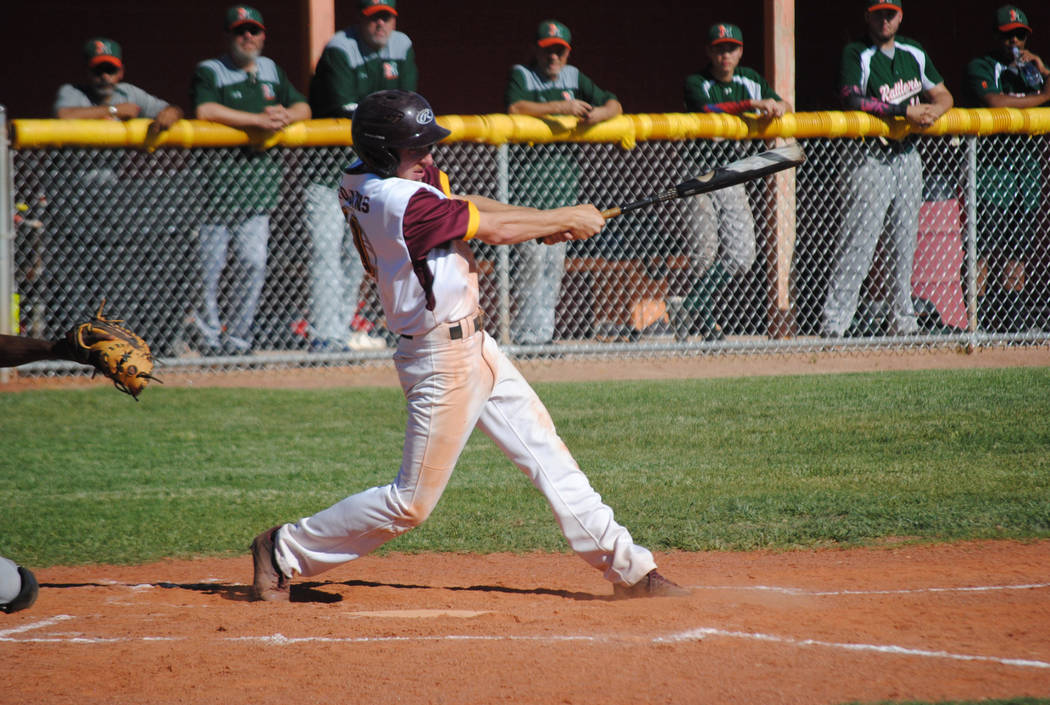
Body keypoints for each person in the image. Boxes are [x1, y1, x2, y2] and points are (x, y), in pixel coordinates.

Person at [250, 90, 687, 602]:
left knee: (550, 458)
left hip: (475, 345)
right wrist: (557, 220)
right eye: (417, 151)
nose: (429, 159)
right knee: (410, 503)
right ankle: (282, 549)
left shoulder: (364, 176)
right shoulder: (399, 201)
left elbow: (467, 209)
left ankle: (631, 570)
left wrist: (548, 219)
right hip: (439, 359)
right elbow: (490, 228)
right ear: (385, 153)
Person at [822, 0, 953, 338]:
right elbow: (851, 98)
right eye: (878, 12)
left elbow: (943, 95)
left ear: (900, 16)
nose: (885, 19)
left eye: (890, 12)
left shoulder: (913, 51)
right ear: (867, 15)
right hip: (868, 157)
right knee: (859, 242)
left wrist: (932, 112)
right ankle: (835, 326)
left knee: (904, 241)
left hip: (907, 155)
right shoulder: (856, 52)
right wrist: (902, 112)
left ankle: (904, 324)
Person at [188, 6, 310, 355]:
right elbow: (205, 111)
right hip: (214, 190)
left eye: (254, 31)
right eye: (241, 31)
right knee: (208, 270)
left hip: (258, 189)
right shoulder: (211, 71)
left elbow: (303, 107)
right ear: (228, 36)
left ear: (262, 35)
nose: (248, 37)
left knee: (252, 265)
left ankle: (238, 339)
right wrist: (256, 120)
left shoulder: (271, 70)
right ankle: (209, 338)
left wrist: (285, 114)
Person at [306, 0, 417, 352]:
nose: (381, 24)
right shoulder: (340, 47)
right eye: (374, 18)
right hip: (328, 173)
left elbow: (410, 102)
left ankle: (341, 329)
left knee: (357, 255)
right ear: (362, 19)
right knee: (324, 252)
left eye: (387, 17)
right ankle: (325, 334)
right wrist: (386, 114)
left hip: (369, 175)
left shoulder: (402, 45)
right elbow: (341, 105)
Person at [504, 20, 622, 347]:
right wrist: (562, 106)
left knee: (553, 269)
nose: (553, 58)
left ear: (567, 53)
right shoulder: (523, 75)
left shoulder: (574, 77)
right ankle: (525, 337)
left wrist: (599, 115)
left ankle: (543, 336)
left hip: (563, 189)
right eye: (547, 51)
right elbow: (516, 107)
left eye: (559, 51)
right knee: (530, 265)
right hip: (529, 190)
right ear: (536, 51)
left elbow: (614, 104)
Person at [681, 23, 792, 340]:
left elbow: (785, 106)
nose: (724, 54)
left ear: (740, 51)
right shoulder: (697, 81)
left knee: (742, 255)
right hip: (698, 171)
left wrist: (775, 109)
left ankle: (691, 303)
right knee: (705, 250)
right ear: (709, 52)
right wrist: (751, 106)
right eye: (718, 48)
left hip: (733, 172)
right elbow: (707, 109)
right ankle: (706, 325)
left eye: (730, 48)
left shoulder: (751, 80)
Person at [964, 5, 1050, 332]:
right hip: (991, 170)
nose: (1014, 42)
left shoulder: (1033, 70)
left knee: (1018, 253)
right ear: (995, 37)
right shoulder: (981, 66)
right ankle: (976, 325)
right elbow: (995, 103)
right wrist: (1044, 96)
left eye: (1020, 35)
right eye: (1007, 35)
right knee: (983, 251)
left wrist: (1044, 73)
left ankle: (1010, 327)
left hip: (1026, 172)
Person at [55, 37, 183, 135]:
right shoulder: (72, 92)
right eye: (99, 70)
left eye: (110, 70)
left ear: (121, 72)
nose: (105, 76)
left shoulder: (128, 93)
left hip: (114, 169)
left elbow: (171, 109)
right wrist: (115, 110)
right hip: (73, 168)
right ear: (87, 72)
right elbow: (63, 115)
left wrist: (171, 113)